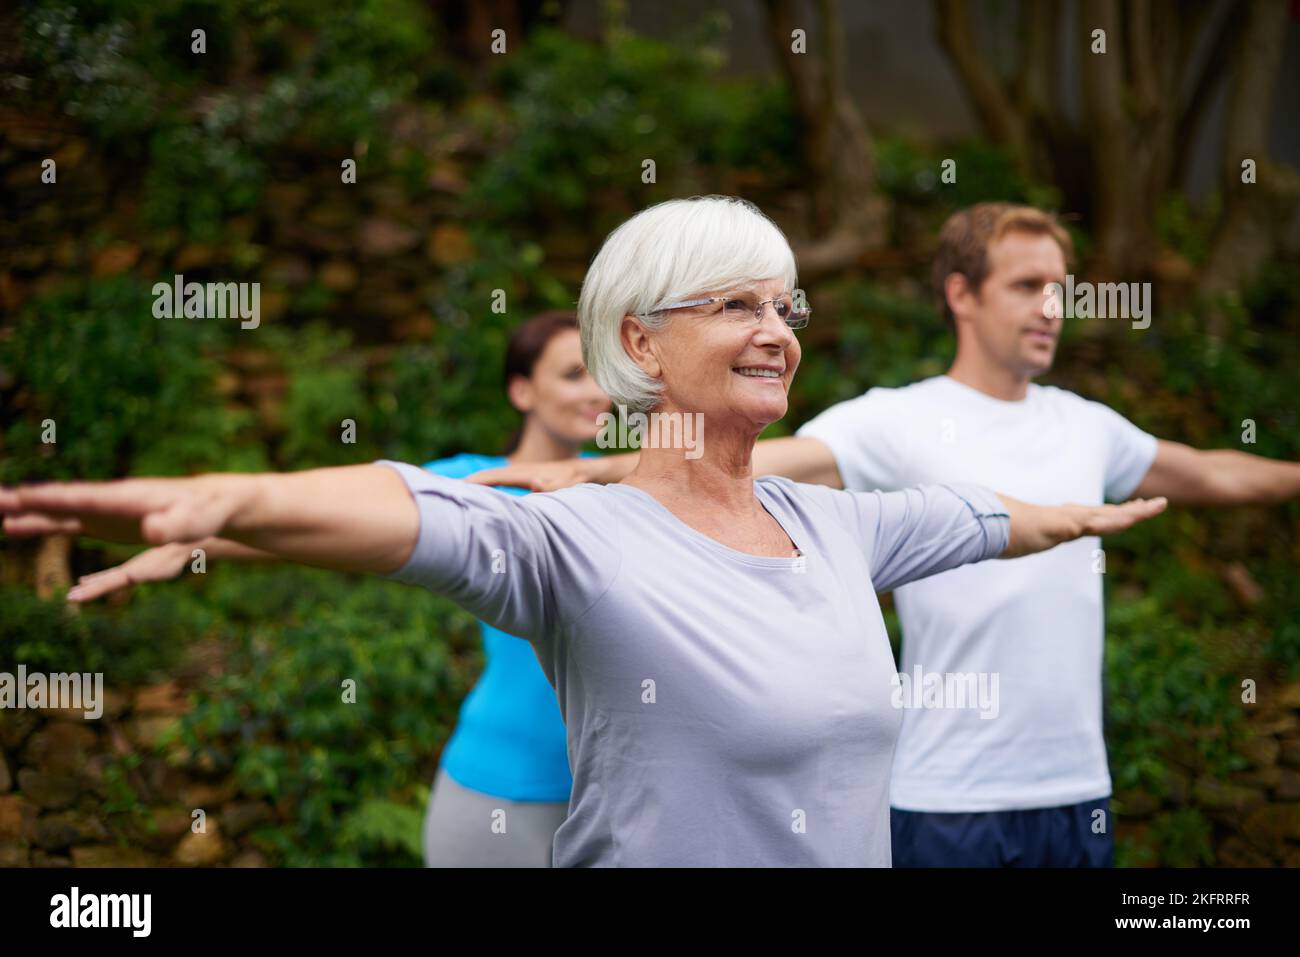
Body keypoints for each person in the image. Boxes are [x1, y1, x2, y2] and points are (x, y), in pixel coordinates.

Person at [1, 195, 1167, 867]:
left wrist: (1075, 513)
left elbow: (977, 516)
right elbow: (412, 503)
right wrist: (229, 502)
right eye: (733, 305)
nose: (774, 330)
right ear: (641, 344)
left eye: (780, 305)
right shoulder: (572, 537)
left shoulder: (837, 525)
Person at [475, 202, 1300, 867]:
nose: (1053, 306)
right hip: (946, 796)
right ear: (962, 296)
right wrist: (596, 472)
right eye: (1026, 285)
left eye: (1061, 287)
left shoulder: (1092, 427)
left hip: (1077, 787)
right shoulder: (895, 419)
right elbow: (750, 460)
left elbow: (1213, 474)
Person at [64, 311, 610, 868]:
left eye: (601, 373)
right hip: (499, 786)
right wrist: (190, 544)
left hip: (610, 794)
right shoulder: (470, 481)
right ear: (522, 390)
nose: (596, 391)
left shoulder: (626, 486)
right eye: (572, 374)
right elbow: (323, 519)